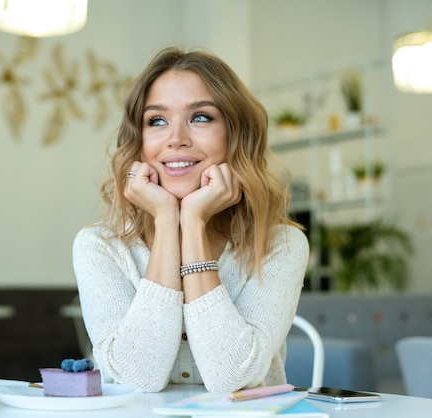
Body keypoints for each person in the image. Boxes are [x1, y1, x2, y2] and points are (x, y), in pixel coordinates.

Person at [72, 46, 309, 393]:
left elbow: (233, 378)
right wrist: (168, 220)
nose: (176, 139)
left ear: (235, 133)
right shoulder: (99, 246)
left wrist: (193, 222)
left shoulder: (281, 244)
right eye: (157, 121)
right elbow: (137, 377)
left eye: (200, 117)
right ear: (139, 142)